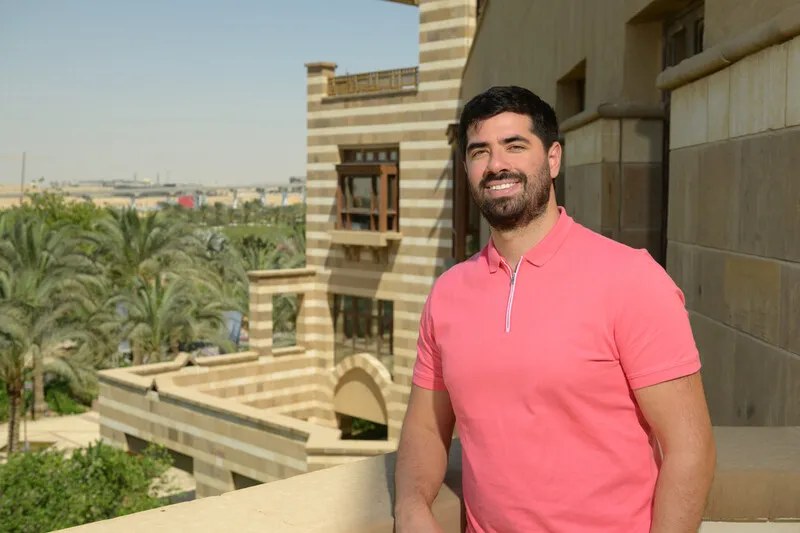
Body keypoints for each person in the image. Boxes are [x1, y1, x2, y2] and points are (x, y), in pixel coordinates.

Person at [393, 85, 716, 533]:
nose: (496, 164)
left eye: (515, 146)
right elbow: (426, 429)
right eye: (479, 151)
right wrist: (410, 509)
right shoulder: (447, 294)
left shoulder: (631, 278)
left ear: (553, 159)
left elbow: (689, 447)